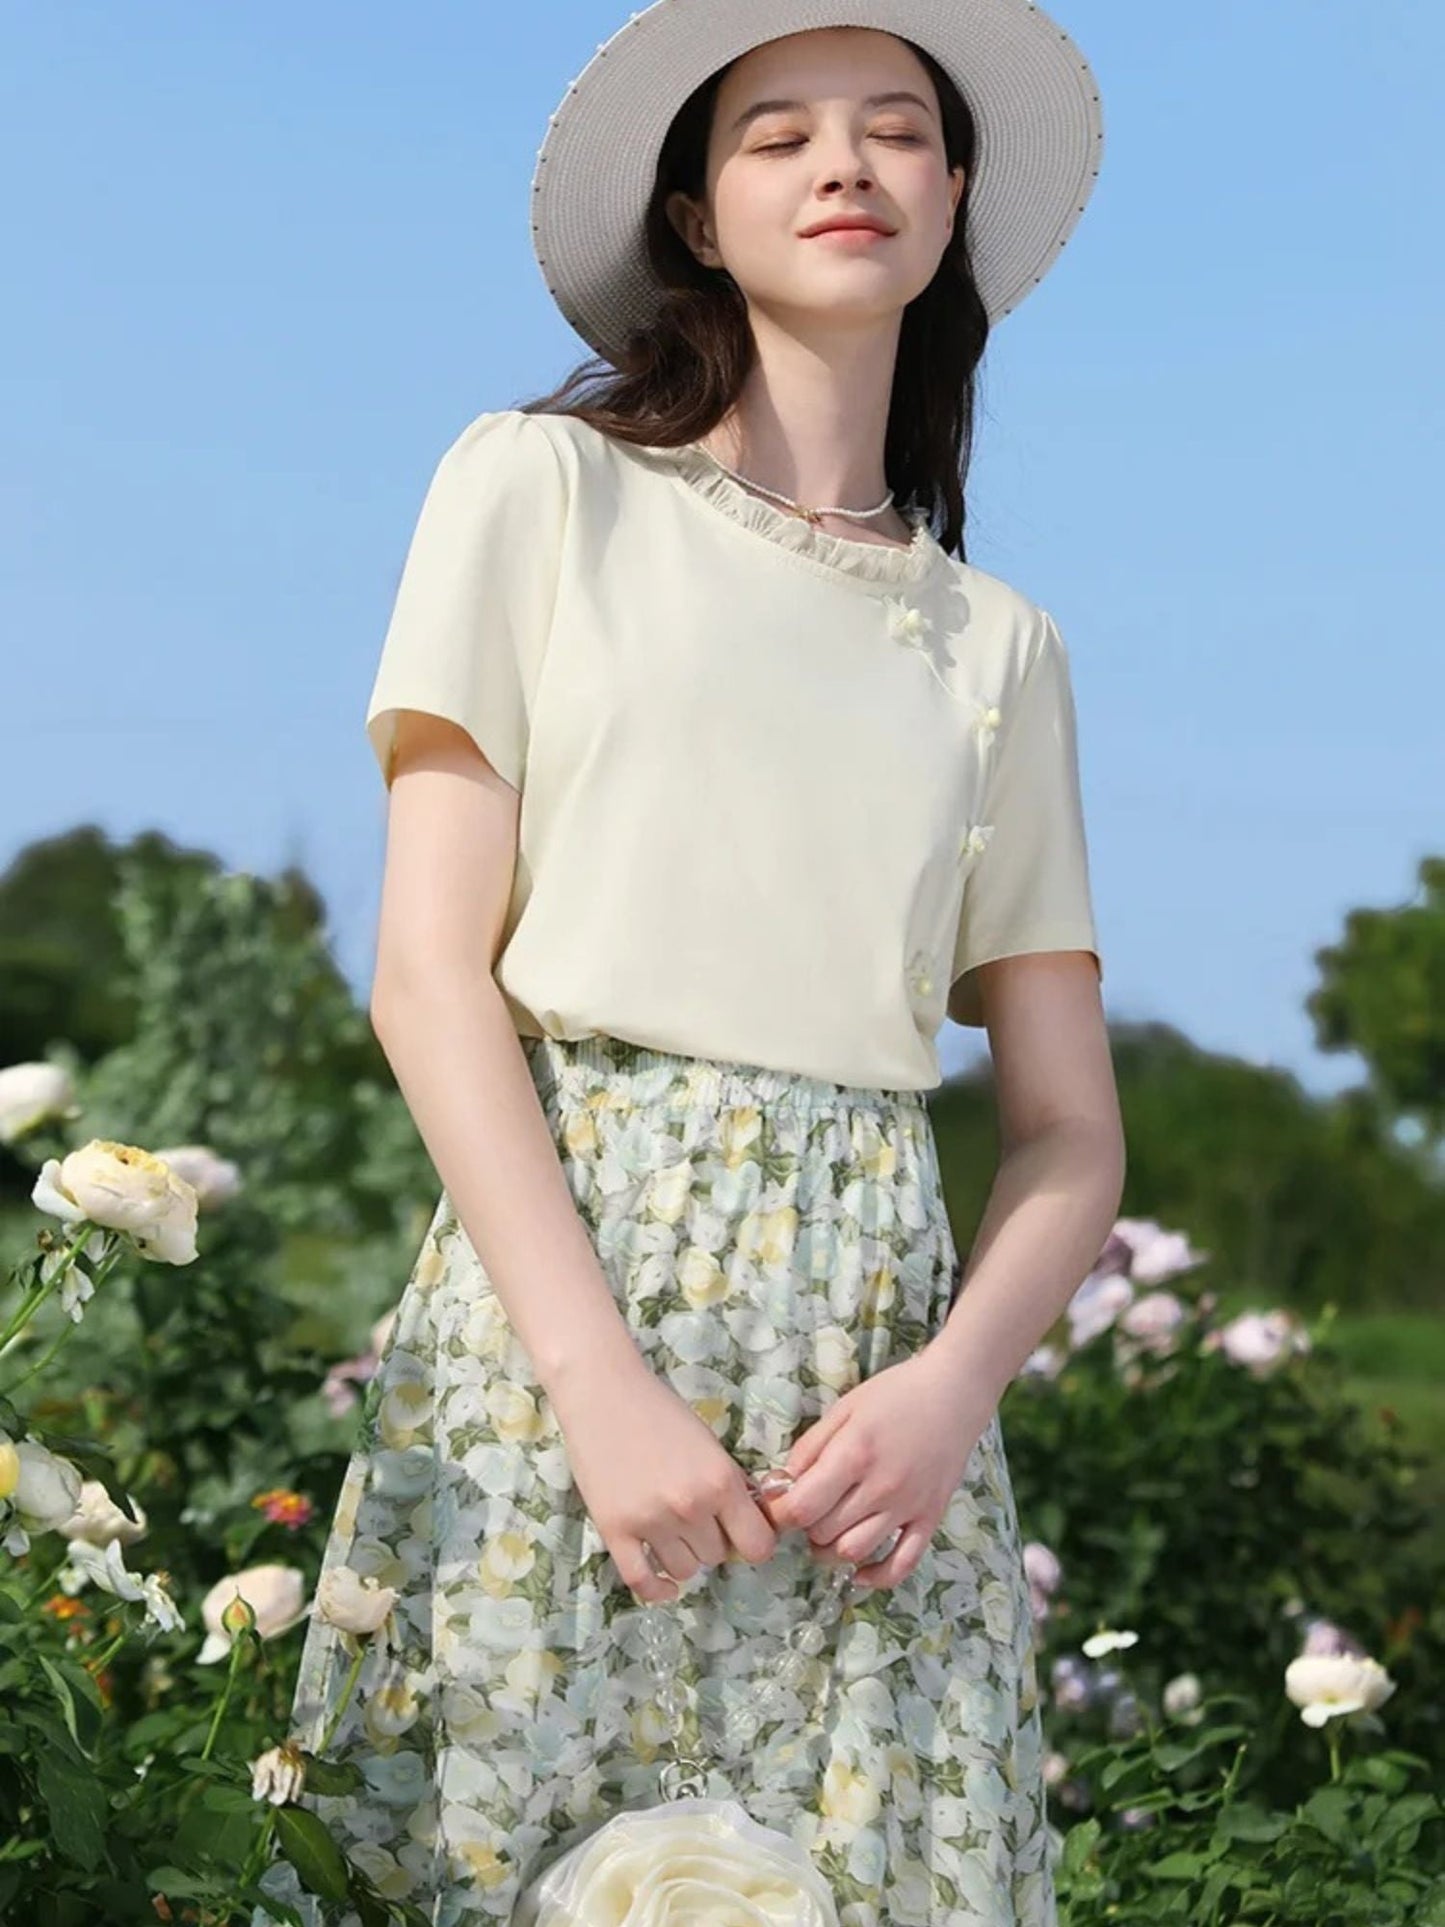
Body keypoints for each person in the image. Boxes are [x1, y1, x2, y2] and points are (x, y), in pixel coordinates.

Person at [255, 3, 1126, 1922]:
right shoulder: (537, 491)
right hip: (567, 1326)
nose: (843, 164)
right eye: (777, 136)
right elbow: (427, 974)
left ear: (952, 195)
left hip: (873, 1413)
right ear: (694, 215)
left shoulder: (1001, 650)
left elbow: (1069, 1135)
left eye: (895, 130)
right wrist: (598, 1386)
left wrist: (949, 1390)